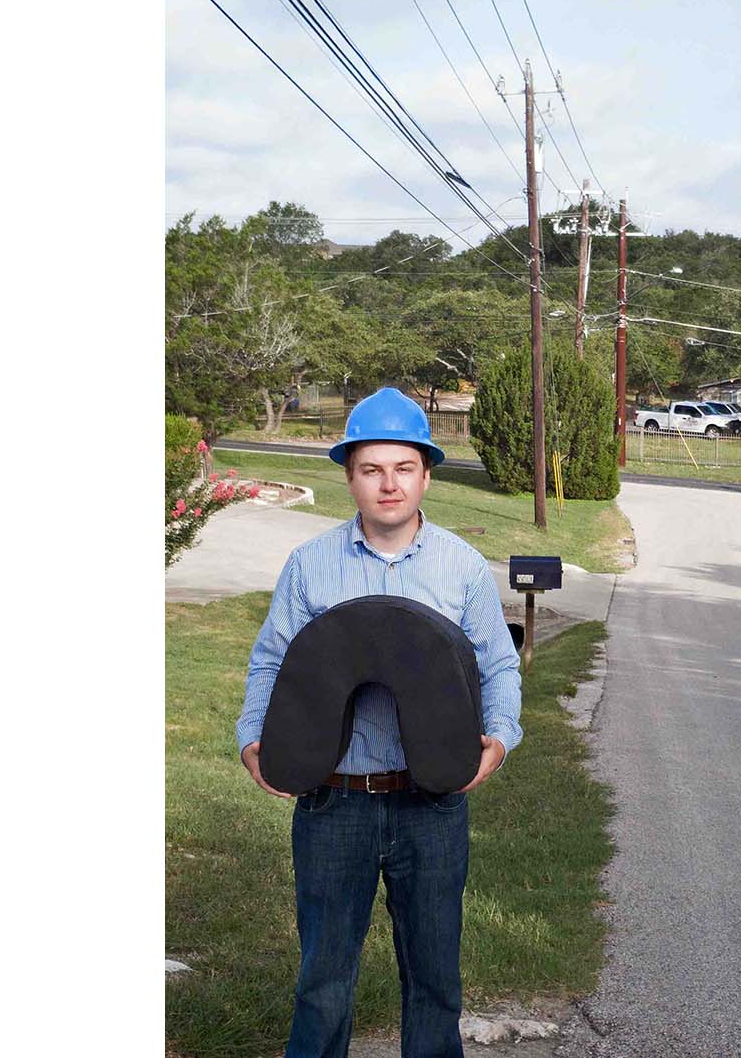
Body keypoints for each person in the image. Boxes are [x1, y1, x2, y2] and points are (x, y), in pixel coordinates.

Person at [236, 386, 524, 1058]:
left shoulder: (460, 567)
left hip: (432, 807)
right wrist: (252, 737)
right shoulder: (311, 565)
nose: (388, 484)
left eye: (402, 468)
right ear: (350, 478)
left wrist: (501, 737)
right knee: (324, 981)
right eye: (371, 469)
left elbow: (499, 667)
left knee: (434, 980)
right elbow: (270, 664)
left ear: (426, 474)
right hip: (334, 803)